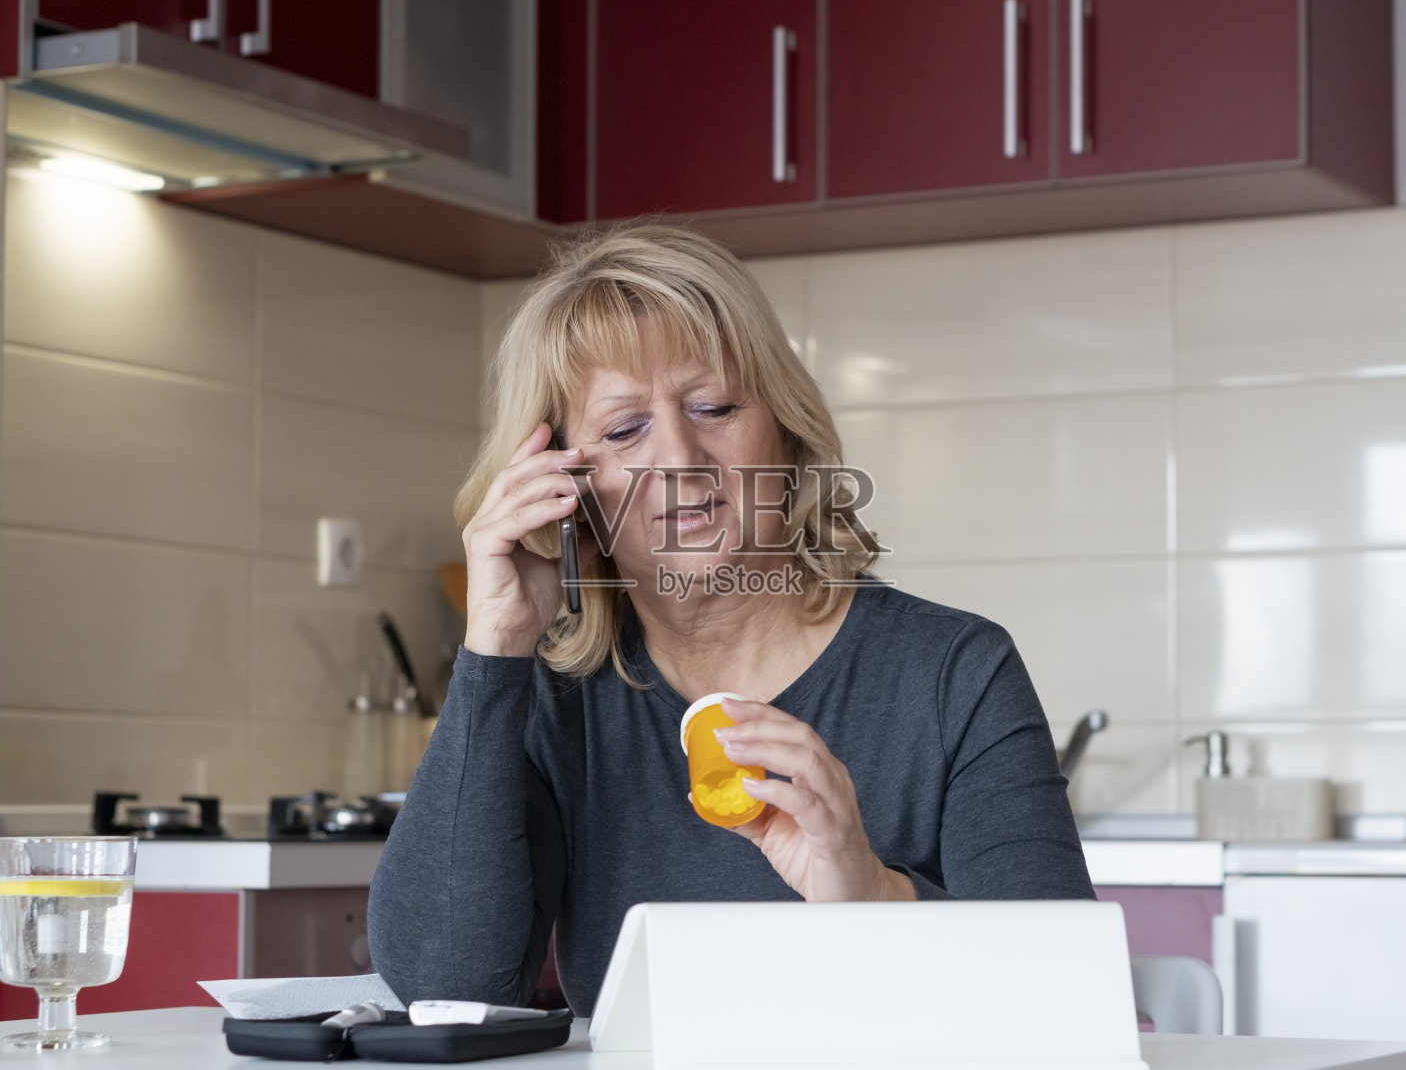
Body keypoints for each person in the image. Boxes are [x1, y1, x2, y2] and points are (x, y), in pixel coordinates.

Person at [367, 225, 1093, 1017]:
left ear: (784, 430)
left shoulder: (956, 671)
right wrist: (494, 652)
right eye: (622, 430)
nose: (680, 457)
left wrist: (871, 890)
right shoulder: (556, 697)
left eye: (713, 405)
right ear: (568, 487)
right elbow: (444, 987)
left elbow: (1065, 994)